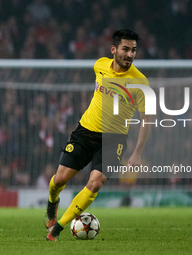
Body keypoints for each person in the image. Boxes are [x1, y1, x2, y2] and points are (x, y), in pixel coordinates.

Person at [44, 29, 152, 241]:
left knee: (95, 182)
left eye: (134, 50)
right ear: (114, 50)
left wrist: (138, 152)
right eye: (126, 49)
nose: (130, 54)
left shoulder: (141, 83)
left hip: (114, 140)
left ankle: (57, 228)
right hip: (85, 132)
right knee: (59, 180)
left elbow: (147, 120)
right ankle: (52, 202)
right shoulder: (100, 65)